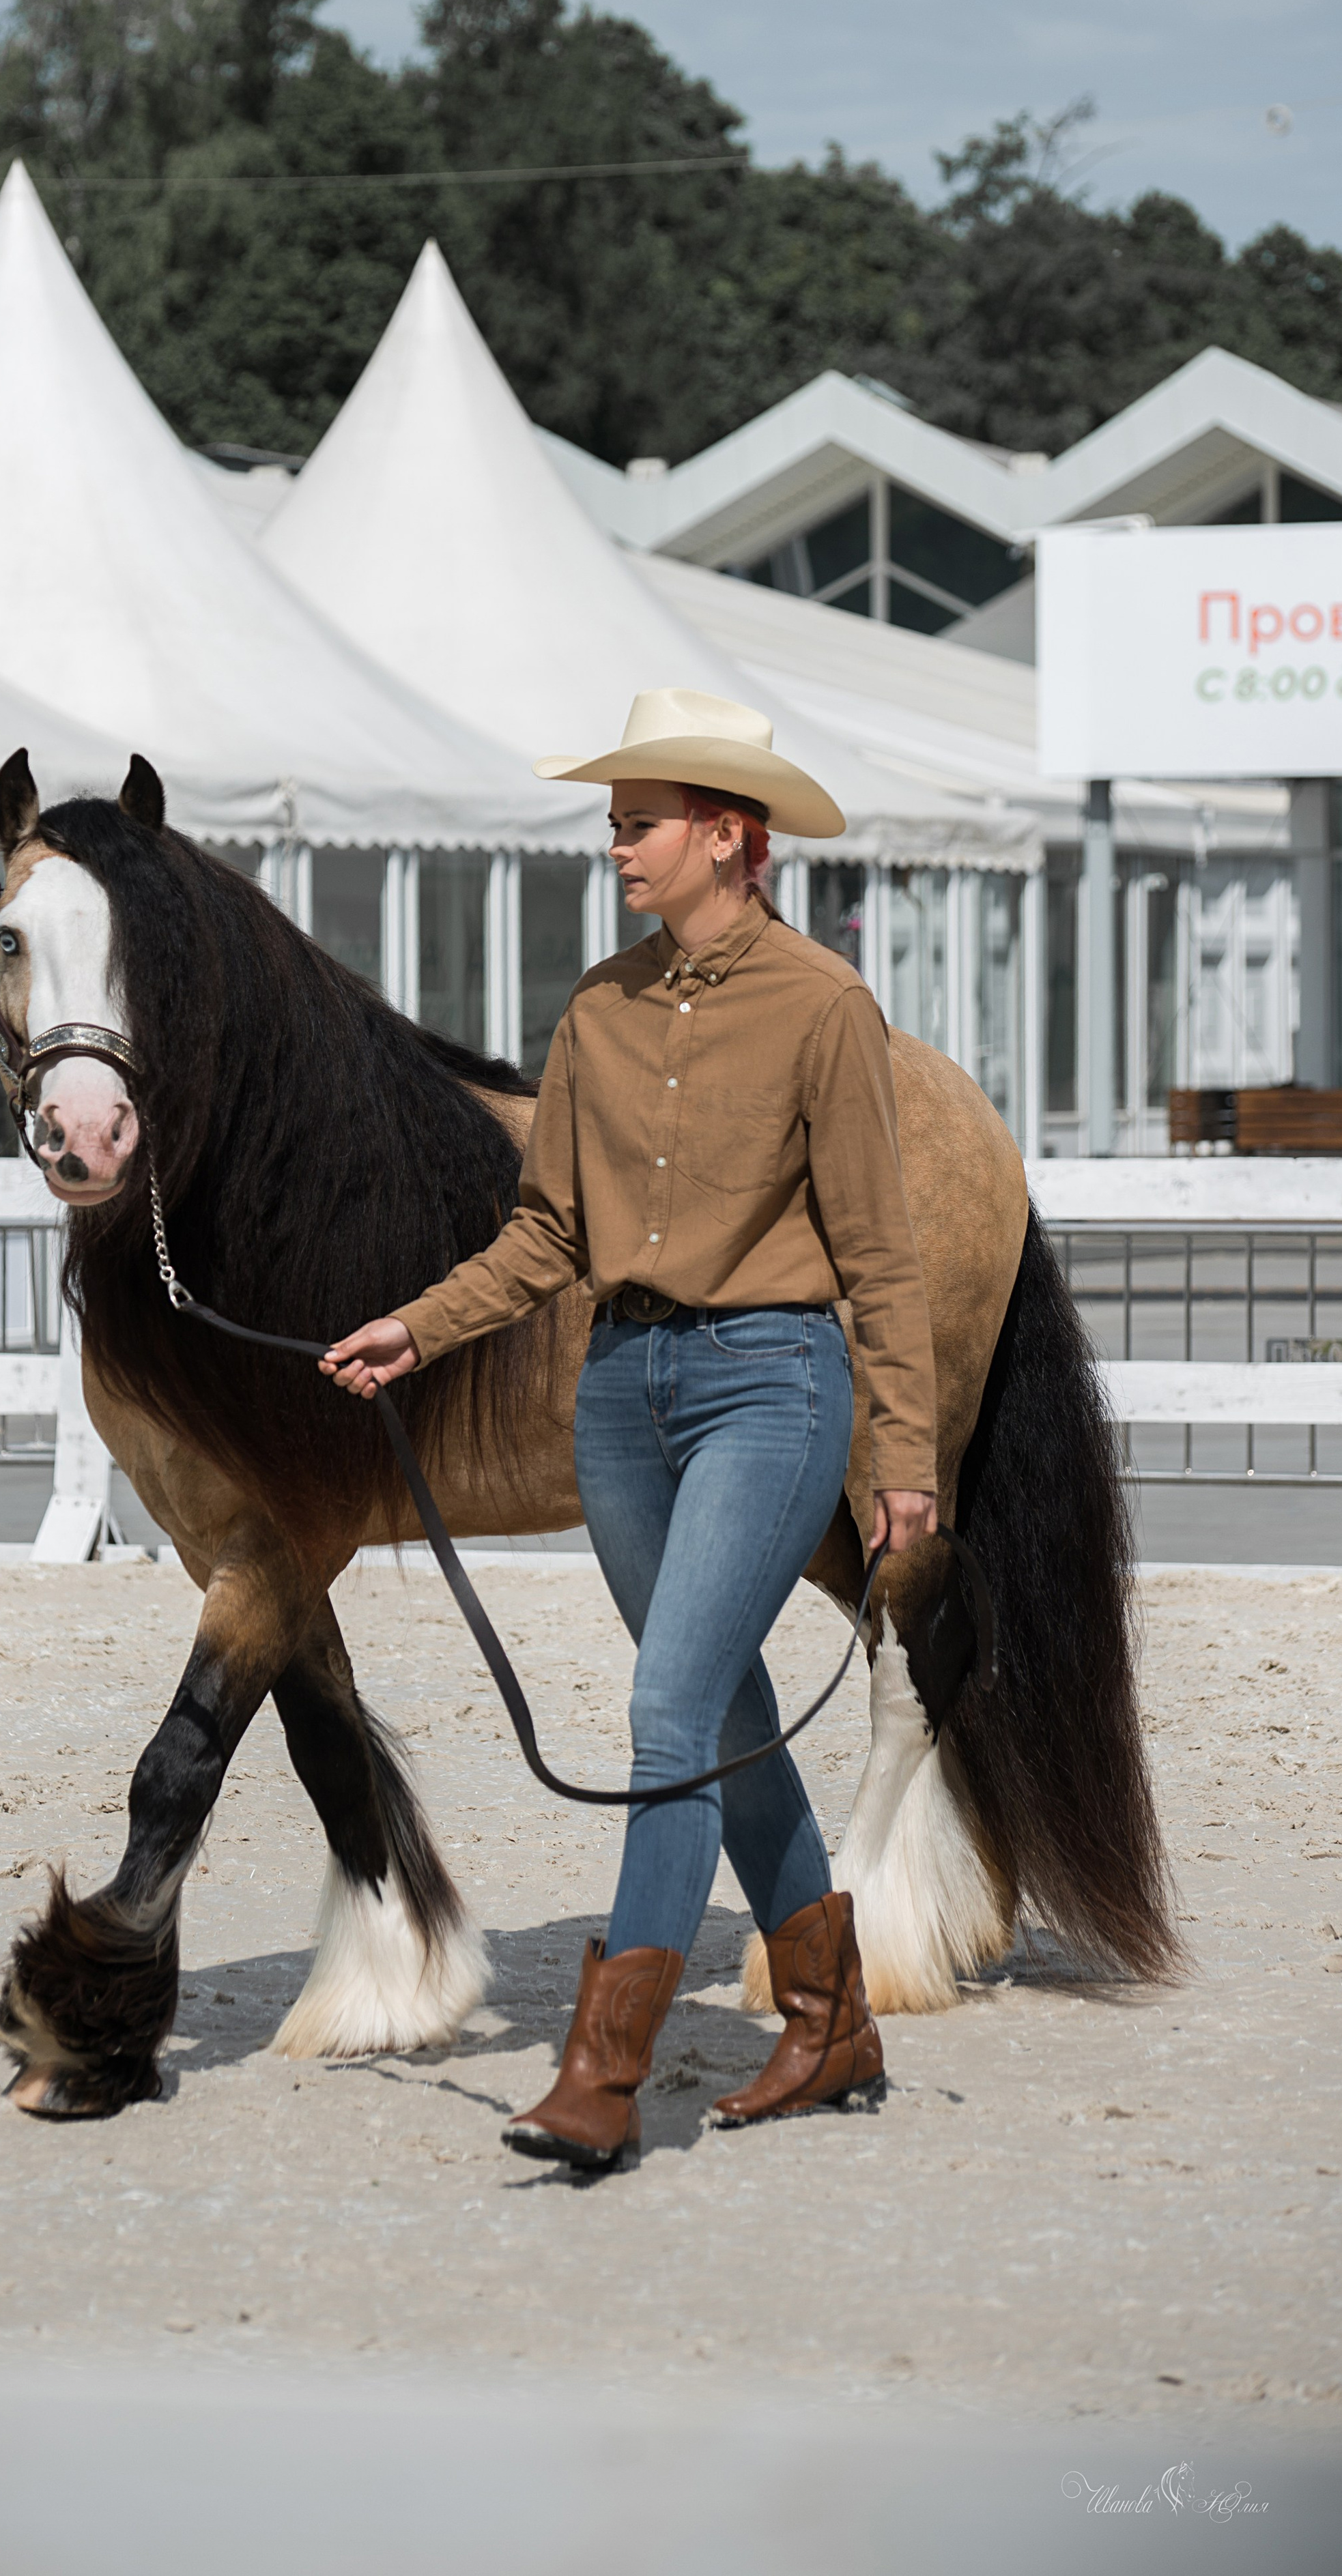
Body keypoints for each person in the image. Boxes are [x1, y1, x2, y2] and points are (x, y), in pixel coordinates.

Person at [322, 687, 939, 2173]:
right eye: (611, 822)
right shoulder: (597, 1009)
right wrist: (420, 1325)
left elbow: (879, 1251)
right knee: (715, 1713)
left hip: (771, 1389)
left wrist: (907, 1458)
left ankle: (603, 2070)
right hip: (618, 1399)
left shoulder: (823, 1007)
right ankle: (830, 2018)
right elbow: (547, 1232)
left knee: (667, 1709)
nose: (614, 845)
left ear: (725, 835)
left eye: (637, 823)